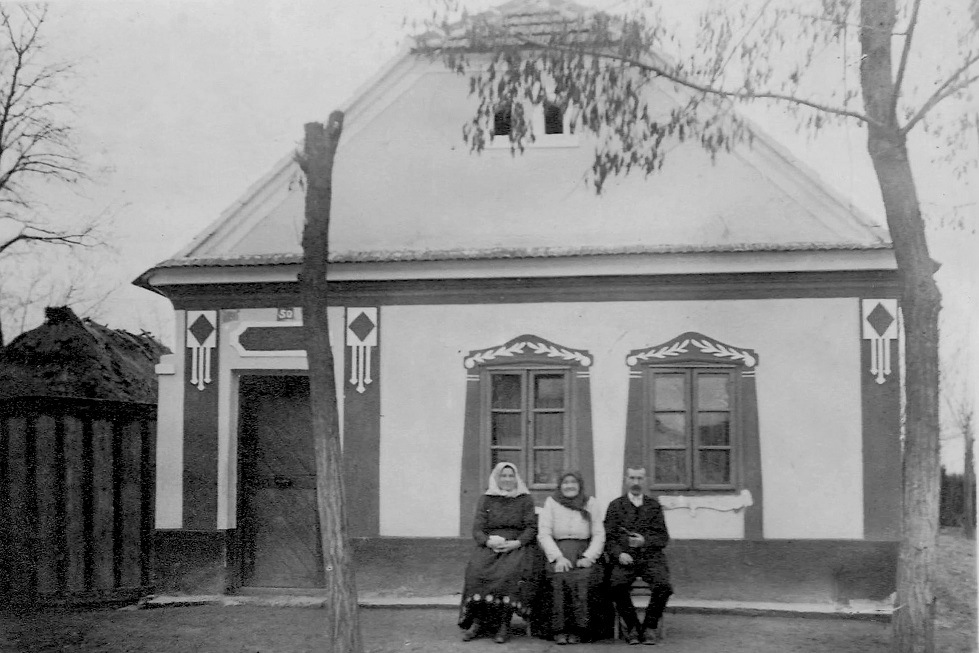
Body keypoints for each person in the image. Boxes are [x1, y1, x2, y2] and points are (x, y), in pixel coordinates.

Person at [459, 462, 539, 644]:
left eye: (511, 476)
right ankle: (478, 622)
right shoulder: (486, 499)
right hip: (491, 544)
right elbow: (477, 529)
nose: (507, 479)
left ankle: (504, 623)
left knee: (508, 574)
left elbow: (531, 528)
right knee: (476, 571)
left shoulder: (525, 499)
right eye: (503, 476)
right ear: (497, 478)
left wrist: (516, 543)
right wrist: (488, 541)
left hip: (516, 545)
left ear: (516, 478)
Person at [603, 467, 672, 646]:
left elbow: (663, 537)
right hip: (625, 559)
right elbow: (608, 538)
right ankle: (632, 626)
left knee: (663, 586)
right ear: (626, 480)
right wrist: (619, 554)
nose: (636, 482)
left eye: (640, 478)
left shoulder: (654, 506)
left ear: (645, 481)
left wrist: (645, 541)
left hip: (650, 558)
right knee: (616, 585)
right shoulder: (615, 506)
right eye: (632, 478)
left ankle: (650, 625)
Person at [537, 471, 607, 645]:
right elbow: (544, 533)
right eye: (565, 482)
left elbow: (599, 534)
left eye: (573, 482)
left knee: (585, 578)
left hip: (584, 551)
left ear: (580, 484)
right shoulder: (551, 502)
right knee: (558, 577)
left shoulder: (590, 503)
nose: (569, 486)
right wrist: (557, 558)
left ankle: (580, 630)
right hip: (559, 551)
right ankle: (559, 630)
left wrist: (589, 557)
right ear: (560, 485)